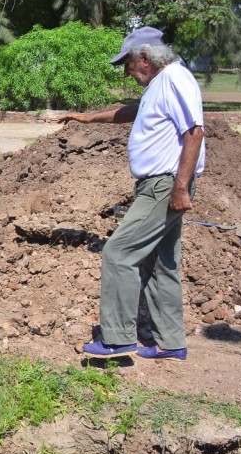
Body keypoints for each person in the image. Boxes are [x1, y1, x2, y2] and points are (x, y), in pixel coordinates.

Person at [61, 26, 205, 362]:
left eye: (127, 64)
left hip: (165, 184)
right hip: (160, 184)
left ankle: (117, 339)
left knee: (118, 252)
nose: (127, 72)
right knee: (160, 263)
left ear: (145, 58)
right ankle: (171, 342)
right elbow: (130, 112)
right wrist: (86, 117)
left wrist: (181, 187)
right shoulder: (160, 86)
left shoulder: (175, 79)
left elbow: (195, 132)